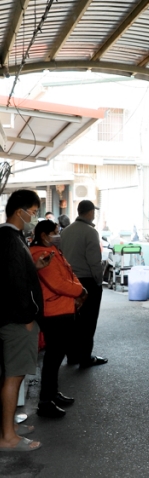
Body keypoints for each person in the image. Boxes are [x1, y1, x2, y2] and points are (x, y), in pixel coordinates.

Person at [0, 190, 47, 452]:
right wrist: (27, 317)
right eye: (33, 209)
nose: (35, 215)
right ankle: (7, 437)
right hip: (17, 320)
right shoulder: (9, 238)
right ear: (20, 211)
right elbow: (14, 282)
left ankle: (7, 428)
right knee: (13, 376)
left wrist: (35, 267)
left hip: (14, 318)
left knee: (10, 375)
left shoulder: (12, 237)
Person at [29, 220, 87, 419]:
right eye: (55, 232)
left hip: (63, 308)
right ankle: (45, 402)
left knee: (57, 354)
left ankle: (52, 394)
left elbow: (69, 274)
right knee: (53, 357)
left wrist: (79, 290)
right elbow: (57, 283)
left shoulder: (52, 249)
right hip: (53, 311)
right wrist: (80, 291)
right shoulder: (40, 254)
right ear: (44, 235)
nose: (58, 234)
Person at [56, 200, 107, 369]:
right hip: (87, 281)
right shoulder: (90, 232)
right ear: (90, 212)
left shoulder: (65, 232)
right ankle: (85, 358)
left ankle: (72, 356)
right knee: (88, 321)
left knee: (73, 319)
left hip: (69, 281)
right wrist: (99, 282)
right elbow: (94, 262)